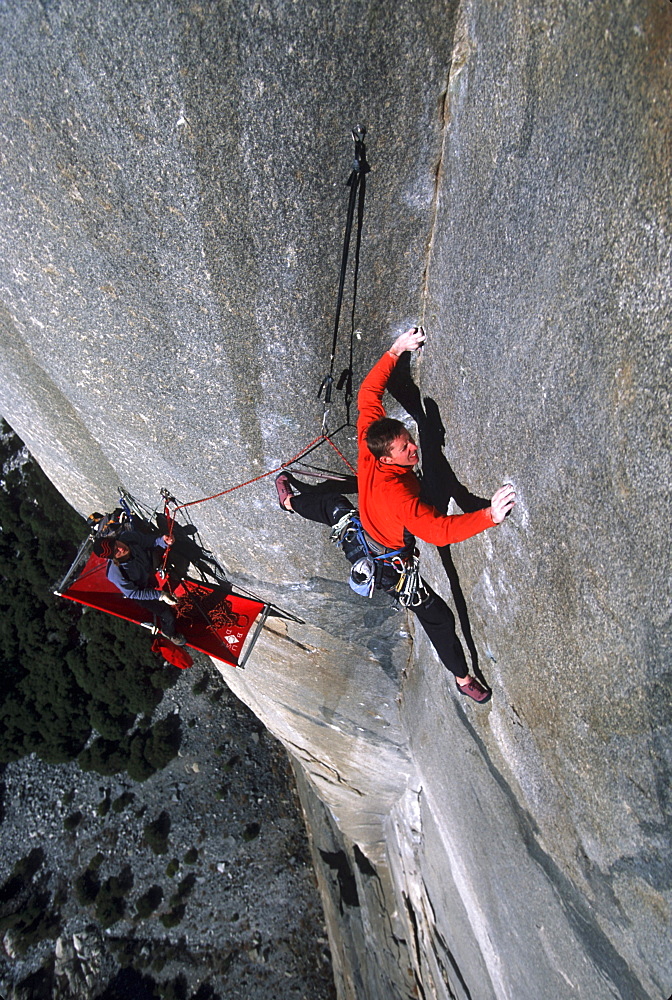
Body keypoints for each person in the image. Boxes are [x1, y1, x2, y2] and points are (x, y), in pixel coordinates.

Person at [275, 326, 516, 703]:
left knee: (332, 506)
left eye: (409, 440)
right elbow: (439, 532)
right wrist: (490, 516)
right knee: (438, 617)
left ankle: (290, 502)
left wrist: (397, 350)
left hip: (362, 533)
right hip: (389, 563)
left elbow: (368, 393)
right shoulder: (402, 494)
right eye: (405, 449)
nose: (414, 449)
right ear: (386, 457)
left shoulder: (371, 434)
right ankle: (462, 678)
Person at [93, 531, 186, 645]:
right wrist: (160, 595)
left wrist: (163, 541)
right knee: (167, 615)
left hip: (148, 571)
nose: (121, 549)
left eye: (117, 544)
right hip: (140, 591)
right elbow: (134, 593)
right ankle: (169, 633)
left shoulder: (128, 538)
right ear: (113, 558)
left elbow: (149, 541)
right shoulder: (115, 574)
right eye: (116, 551)